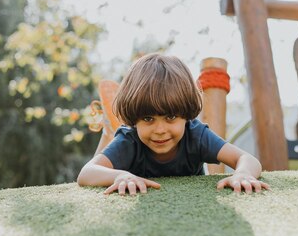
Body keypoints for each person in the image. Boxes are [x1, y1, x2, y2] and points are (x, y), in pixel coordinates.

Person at [77, 53, 268, 196]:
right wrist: (119, 176)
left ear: (186, 115)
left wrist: (243, 173)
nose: (160, 130)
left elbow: (247, 159)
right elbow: (87, 173)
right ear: (134, 120)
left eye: (170, 117)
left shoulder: (196, 135)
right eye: (148, 119)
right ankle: (108, 133)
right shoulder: (129, 140)